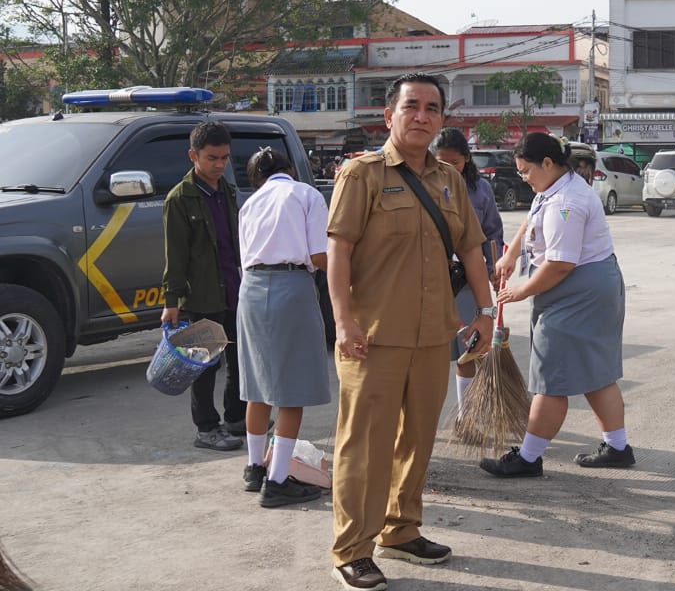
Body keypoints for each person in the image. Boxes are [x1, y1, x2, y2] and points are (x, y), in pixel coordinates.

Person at [326, 73, 495, 591]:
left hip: (431, 333)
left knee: (417, 440)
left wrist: (486, 311)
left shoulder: (448, 179)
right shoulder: (363, 176)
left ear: (442, 118)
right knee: (365, 446)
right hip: (372, 335)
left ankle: (400, 530)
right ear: (389, 116)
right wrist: (343, 320)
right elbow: (339, 251)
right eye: (412, 106)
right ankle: (352, 549)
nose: (422, 115)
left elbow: (470, 247)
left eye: (432, 108)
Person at [479, 132, 632, 478]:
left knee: (552, 377)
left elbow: (561, 264)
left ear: (547, 163)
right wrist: (511, 254)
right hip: (587, 285)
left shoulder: (568, 203)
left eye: (526, 171)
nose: (523, 179)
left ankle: (529, 458)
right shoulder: (554, 188)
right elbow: (531, 220)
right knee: (596, 372)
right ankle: (618, 447)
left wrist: (522, 290)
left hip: (578, 291)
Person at [236, 148, 330, 508]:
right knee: (292, 387)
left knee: (257, 384)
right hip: (291, 286)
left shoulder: (250, 203)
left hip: (252, 290)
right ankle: (277, 482)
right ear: (290, 169)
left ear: (257, 178)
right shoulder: (306, 194)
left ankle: (254, 468)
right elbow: (320, 256)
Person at [161, 121, 247, 452]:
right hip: (200, 294)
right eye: (212, 158)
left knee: (240, 359)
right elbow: (175, 255)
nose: (220, 165)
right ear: (193, 155)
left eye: (225, 158)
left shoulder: (225, 191)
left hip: (233, 290)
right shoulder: (179, 199)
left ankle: (236, 418)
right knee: (205, 365)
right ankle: (207, 428)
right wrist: (172, 302)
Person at [432, 127, 504, 411]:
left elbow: (492, 233)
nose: (448, 169)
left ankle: (468, 415)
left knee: (471, 348)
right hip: (429, 278)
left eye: (455, 163)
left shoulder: (480, 190)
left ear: (467, 160)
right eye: (441, 162)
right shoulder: (423, 184)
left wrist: (494, 269)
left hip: (466, 280)